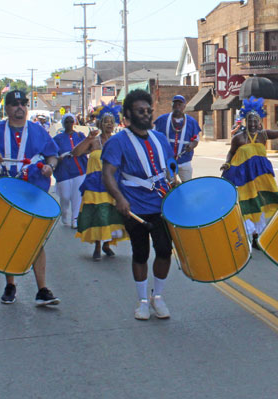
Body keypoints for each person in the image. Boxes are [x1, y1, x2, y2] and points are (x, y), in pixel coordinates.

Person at [0, 90, 60, 306]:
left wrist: (50, 167)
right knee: (8, 237)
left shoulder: (38, 131)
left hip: (33, 193)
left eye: (23, 103)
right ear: (7, 108)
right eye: (15, 103)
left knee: (36, 239)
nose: (20, 107)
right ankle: (10, 285)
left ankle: (42, 289)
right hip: (5, 195)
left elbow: (52, 155)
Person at [102, 89, 175, 320]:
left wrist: (177, 188)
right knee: (140, 253)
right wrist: (119, 198)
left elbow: (170, 169)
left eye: (148, 111)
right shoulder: (117, 142)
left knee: (164, 251)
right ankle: (143, 301)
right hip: (135, 208)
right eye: (140, 111)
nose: (146, 114)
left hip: (162, 205)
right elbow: (108, 173)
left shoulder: (160, 139)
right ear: (128, 115)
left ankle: (158, 297)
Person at [220, 96, 278, 247]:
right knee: (247, 204)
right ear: (245, 121)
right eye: (249, 120)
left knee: (261, 204)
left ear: (259, 122)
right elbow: (231, 153)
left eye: (255, 120)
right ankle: (246, 237)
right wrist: (227, 163)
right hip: (244, 176)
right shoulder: (238, 138)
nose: (252, 123)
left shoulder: (263, 135)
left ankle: (257, 237)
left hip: (261, 176)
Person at [73, 103, 128, 261]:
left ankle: (107, 244)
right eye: (106, 122)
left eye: (112, 122)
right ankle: (97, 245)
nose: (109, 125)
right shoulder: (94, 142)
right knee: (99, 215)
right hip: (95, 184)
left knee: (112, 214)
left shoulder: (117, 141)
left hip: (113, 183)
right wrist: (88, 139)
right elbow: (76, 153)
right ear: (100, 124)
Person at [154, 94, 201, 182]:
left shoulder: (192, 122)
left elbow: (196, 140)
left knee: (187, 185)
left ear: (184, 106)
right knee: (171, 186)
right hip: (168, 162)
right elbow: (153, 137)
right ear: (172, 105)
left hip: (184, 161)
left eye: (180, 104)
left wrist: (191, 145)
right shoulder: (162, 120)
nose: (177, 106)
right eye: (175, 104)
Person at [53, 113, 88, 228]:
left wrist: (80, 151)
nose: (69, 124)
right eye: (66, 122)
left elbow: (87, 148)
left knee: (77, 196)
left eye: (71, 121)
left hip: (79, 169)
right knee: (65, 196)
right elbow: (52, 154)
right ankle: (64, 213)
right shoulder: (57, 138)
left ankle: (75, 220)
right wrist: (61, 157)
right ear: (63, 123)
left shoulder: (80, 135)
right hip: (64, 171)